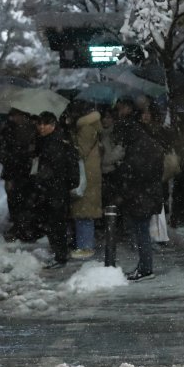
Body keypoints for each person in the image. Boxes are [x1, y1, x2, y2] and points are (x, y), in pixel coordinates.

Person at [113, 98, 167, 280]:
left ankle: (145, 268)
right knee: (142, 232)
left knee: (141, 233)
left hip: (141, 196)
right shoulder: (150, 144)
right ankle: (144, 266)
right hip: (149, 194)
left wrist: (122, 169)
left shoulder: (137, 149)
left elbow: (132, 173)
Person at [28, 111, 80, 270]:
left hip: (55, 189)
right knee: (54, 223)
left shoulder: (57, 142)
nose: (42, 127)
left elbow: (59, 167)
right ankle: (59, 254)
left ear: (53, 125)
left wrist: (44, 179)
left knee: (57, 223)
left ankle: (61, 256)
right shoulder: (47, 140)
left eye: (46, 124)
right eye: (40, 124)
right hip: (52, 188)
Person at [69, 101, 104, 260]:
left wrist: (69, 142)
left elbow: (80, 151)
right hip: (91, 172)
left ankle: (85, 246)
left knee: (84, 211)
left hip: (86, 174)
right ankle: (85, 244)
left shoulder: (85, 128)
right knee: (85, 210)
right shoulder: (92, 126)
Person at [0, 108, 39, 241]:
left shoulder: (34, 129)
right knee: (15, 200)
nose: (15, 119)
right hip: (13, 170)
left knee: (27, 201)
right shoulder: (8, 130)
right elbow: (1, 150)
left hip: (28, 172)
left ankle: (26, 228)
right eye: (13, 116)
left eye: (17, 115)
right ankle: (20, 227)